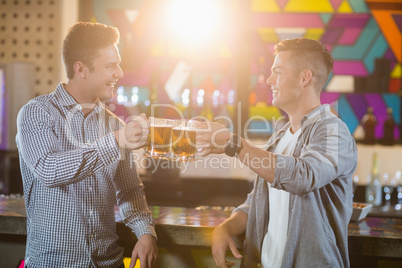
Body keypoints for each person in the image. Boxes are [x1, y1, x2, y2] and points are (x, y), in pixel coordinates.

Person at [197, 38, 357, 267]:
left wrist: (234, 144)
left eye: (277, 72)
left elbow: (303, 176)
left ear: (304, 78)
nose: (269, 80)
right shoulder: (280, 136)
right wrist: (225, 228)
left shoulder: (333, 131)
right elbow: (258, 203)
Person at [16, 22, 158, 268]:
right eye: (111, 66)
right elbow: (49, 170)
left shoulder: (114, 126)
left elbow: (130, 190)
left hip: (109, 262)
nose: (120, 73)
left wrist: (145, 232)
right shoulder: (36, 113)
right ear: (81, 69)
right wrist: (117, 142)